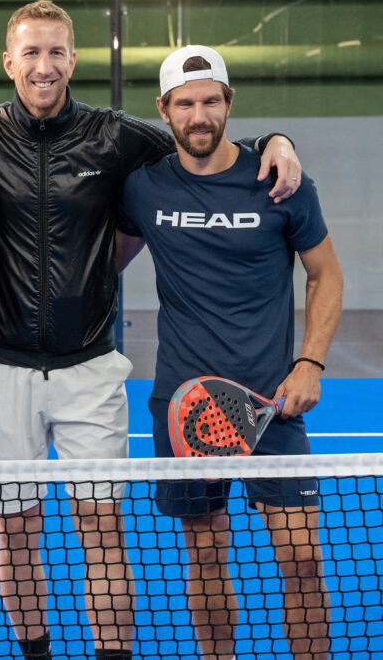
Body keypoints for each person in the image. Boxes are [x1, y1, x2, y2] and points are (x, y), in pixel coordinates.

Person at [0, 0, 307, 660]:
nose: (43, 66)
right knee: (14, 532)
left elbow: (210, 142)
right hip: (1, 366)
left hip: (90, 368)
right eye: (31, 52)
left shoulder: (119, 136)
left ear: (72, 60)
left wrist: (277, 141)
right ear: (8, 61)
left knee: (101, 527)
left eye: (56, 52)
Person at [117, 44, 342, 660]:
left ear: (228, 103)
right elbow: (103, 260)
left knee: (302, 558)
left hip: (275, 404)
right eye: (185, 103)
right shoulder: (141, 188)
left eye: (210, 101)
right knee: (206, 551)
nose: (199, 115)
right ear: (163, 110)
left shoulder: (280, 181)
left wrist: (310, 362)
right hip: (184, 406)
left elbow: (326, 274)